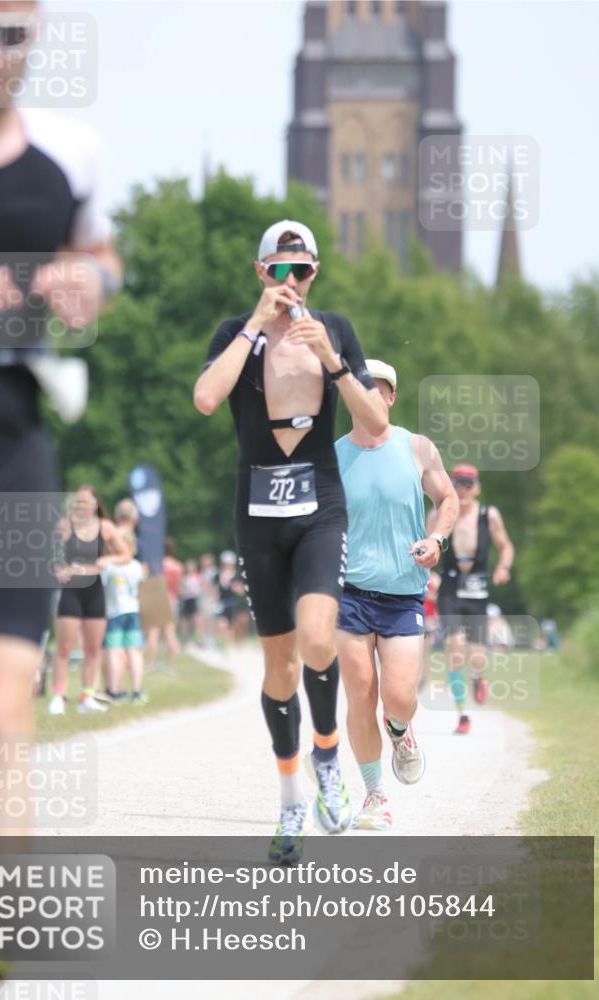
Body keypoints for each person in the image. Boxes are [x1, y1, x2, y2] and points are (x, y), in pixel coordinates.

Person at [0, 0, 122, 988]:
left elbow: (98, 256)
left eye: (11, 32)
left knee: (1, 702)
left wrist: (87, 283)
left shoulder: (68, 152)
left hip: (7, 445)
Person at [194, 219, 387, 863]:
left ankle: (326, 754)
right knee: (278, 668)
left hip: (319, 506)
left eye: (301, 269)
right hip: (257, 511)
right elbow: (204, 399)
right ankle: (289, 800)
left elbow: (376, 420)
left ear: (316, 272)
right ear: (260, 273)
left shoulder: (335, 330)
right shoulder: (236, 334)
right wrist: (255, 322)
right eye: (279, 269)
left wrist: (332, 361)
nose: (291, 281)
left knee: (317, 637)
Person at [335, 360, 458, 830]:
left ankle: (402, 733)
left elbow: (448, 500)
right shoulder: (333, 456)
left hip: (403, 595)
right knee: (360, 694)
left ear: (390, 398)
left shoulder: (417, 448)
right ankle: (374, 796)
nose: (368, 397)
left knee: (400, 697)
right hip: (349, 594)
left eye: (378, 390)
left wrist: (438, 541)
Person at [429, 464, 514, 734]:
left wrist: (504, 567)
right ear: (451, 486)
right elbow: (425, 547)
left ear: (477, 488)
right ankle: (463, 714)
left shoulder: (489, 515)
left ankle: (478, 676)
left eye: (468, 485)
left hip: (477, 589)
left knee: (477, 657)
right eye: (458, 484)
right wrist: (431, 575)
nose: (462, 490)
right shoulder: (439, 515)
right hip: (450, 587)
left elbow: (506, 546)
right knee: (454, 651)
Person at [50, 486, 130, 714]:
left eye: (87, 502)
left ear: (95, 504)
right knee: (64, 648)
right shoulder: (65, 525)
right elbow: (53, 554)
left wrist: (109, 559)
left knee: (93, 649)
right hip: (71, 590)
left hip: (95, 590)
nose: (82, 506)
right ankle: (58, 696)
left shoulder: (105, 527)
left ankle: (87, 697)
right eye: (78, 502)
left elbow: (126, 554)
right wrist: (58, 568)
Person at [100, 537, 147, 703]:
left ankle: (114, 690)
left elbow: (102, 588)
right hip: (134, 610)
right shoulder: (136, 566)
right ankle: (137, 691)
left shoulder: (108, 566)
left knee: (114, 651)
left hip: (114, 612)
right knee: (134, 651)